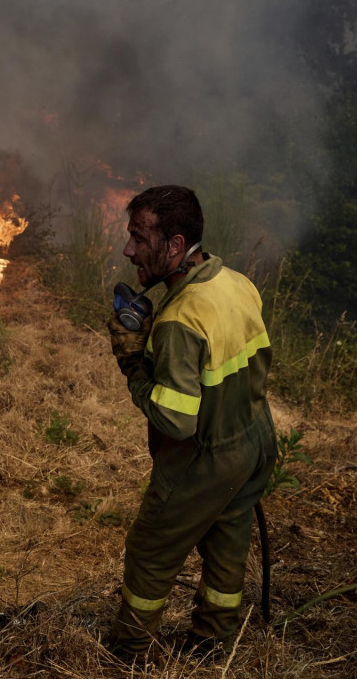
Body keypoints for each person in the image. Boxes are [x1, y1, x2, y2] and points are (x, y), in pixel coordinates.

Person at [104, 185, 277, 660]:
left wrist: (134, 365)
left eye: (140, 238)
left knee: (150, 549)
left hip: (205, 458)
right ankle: (213, 641)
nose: (129, 250)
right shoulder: (235, 282)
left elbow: (176, 420)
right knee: (227, 541)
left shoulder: (179, 320)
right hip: (254, 439)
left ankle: (131, 650)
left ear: (175, 245)